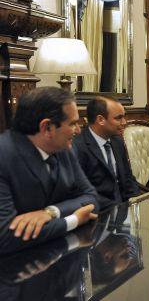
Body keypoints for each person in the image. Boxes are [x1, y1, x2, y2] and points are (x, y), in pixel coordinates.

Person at [0, 87, 99, 254]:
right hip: (17, 269)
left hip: (63, 258)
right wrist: (74, 220)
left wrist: (51, 212)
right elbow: (5, 236)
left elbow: (91, 198)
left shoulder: (64, 148)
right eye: (73, 123)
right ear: (47, 128)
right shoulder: (4, 156)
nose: (79, 130)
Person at [73, 97, 140, 208]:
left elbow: (128, 178)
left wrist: (137, 202)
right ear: (100, 120)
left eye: (124, 117)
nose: (124, 122)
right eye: (119, 118)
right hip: (98, 213)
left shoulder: (117, 141)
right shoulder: (78, 147)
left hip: (124, 211)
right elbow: (81, 193)